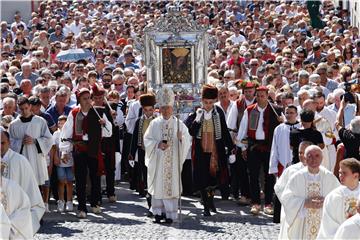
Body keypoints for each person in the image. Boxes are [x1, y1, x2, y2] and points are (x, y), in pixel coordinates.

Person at [59, 88, 112, 218]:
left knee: (95, 177)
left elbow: (109, 132)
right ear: (79, 100)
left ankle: (95, 204)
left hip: (93, 148)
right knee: (81, 179)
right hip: (80, 148)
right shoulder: (74, 113)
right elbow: (66, 132)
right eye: (85, 99)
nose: (88, 101)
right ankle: (82, 208)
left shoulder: (99, 111)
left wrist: (104, 124)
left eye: (89, 98)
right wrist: (65, 151)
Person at [144, 87, 191, 223]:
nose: (165, 111)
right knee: (158, 185)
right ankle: (158, 213)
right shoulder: (154, 123)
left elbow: (188, 140)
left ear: (172, 108)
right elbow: (147, 140)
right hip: (158, 160)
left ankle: (170, 214)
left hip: (173, 162)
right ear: (159, 108)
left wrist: (181, 138)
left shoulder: (179, 124)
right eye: (163, 108)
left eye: (168, 108)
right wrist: (157, 144)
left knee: (171, 187)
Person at [186, 84, 234, 216]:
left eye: (211, 102)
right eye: (205, 102)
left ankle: (210, 200)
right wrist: (197, 119)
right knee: (202, 179)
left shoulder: (218, 112)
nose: (208, 105)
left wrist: (231, 147)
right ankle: (206, 205)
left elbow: (224, 131)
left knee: (213, 179)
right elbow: (191, 131)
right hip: (200, 150)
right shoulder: (197, 112)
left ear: (215, 101)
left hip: (215, 150)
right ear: (202, 101)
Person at [236, 85, 282, 215]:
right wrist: (243, 146)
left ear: (268, 95)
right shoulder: (250, 110)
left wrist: (282, 121)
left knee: (269, 176)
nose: (261, 98)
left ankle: (268, 203)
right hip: (254, 147)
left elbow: (283, 128)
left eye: (263, 95)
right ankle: (255, 203)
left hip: (270, 147)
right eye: (259, 95)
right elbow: (242, 130)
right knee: (253, 176)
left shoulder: (276, 110)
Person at [280, 145, 339, 240]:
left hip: (323, 223)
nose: (313, 159)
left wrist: (326, 201)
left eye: (317, 156)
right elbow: (286, 198)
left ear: (322, 158)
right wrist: (304, 203)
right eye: (309, 156)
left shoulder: (329, 177)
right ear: (304, 158)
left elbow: (338, 198)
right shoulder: (297, 177)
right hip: (302, 223)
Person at [0, 128, 45, 235]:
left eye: (2, 143)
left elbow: (33, 199)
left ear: (9, 142)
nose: (0, 147)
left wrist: (15, 223)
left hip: (16, 222)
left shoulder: (20, 162)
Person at [8, 96, 53, 187]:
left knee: (36, 185)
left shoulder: (40, 121)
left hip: (36, 157)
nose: (24, 111)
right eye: (21, 109)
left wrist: (35, 141)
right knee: (22, 184)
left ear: (30, 106)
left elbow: (49, 139)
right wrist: (20, 142)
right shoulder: (14, 124)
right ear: (18, 109)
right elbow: (9, 142)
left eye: (26, 108)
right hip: (21, 158)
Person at [269, 105, 301, 223]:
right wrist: (273, 166)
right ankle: (277, 217)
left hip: (297, 163)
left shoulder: (300, 127)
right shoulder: (279, 129)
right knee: (280, 190)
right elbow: (274, 148)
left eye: (292, 113)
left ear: (296, 114)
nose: (289, 115)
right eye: (287, 113)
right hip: (282, 164)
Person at [276, 141, 313, 239]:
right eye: (300, 152)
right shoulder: (291, 170)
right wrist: (293, 203)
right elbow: (279, 188)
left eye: (304, 152)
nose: (302, 155)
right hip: (293, 212)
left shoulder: (321, 172)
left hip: (312, 214)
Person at [227, 80, 256, 205]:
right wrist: (234, 141)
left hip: (255, 141)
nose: (249, 94)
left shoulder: (259, 102)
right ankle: (244, 194)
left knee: (254, 170)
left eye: (251, 91)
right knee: (242, 170)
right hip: (240, 140)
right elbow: (231, 124)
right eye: (246, 91)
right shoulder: (238, 104)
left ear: (254, 91)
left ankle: (255, 195)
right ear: (243, 92)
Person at [317, 158, 360, 239]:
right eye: (340, 173)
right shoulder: (333, 197)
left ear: (356, 176)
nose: (340, 176)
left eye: (344, 173)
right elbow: (328, 226)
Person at [130, 93, 157, 214]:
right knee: (146, 178)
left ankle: (157, 204)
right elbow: (135, 138)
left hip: (155, 153)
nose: (148, 112)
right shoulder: (138, 121)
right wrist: (131, 153)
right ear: (142, 109)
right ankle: (150, 204)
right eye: (146, 110)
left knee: (155, 177)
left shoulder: (158, 121)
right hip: (142, 152)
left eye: (150, 110)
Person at [53, 115, 74, 212]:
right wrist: (56, 157)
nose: (61, 125)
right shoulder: (56, 134)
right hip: (60, 162)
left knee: (70, 181)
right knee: (61, 181)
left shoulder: (71, 134)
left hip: (70, 161)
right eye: (60, 123)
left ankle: (69, 201)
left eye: (64, 123)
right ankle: (61, 201)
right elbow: (54, 147)